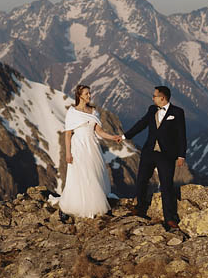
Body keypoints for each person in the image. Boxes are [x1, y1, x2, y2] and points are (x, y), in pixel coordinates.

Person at [122, 85, 187, 231]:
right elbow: (141, 124)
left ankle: (169, 218)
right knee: (142, 180)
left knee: (166, 185)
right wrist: (125, 136)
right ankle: (140, 208)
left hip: (166, 155)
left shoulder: (177, 112)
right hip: (149, 152)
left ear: (162, 98)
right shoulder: (152, 110)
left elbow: (181, 135)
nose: (152, 98)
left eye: (155, 96)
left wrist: (181, 155)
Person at [58, 84, 122, 218]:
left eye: (89, 93)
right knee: (80, 175)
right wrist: (68, 153)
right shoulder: (73, 112)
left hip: (92, 145)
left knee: (93, 173)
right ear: (79, 95)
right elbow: (68, 134)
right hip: (78, 146)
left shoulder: (94, 111)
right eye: (86, 93)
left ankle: (96, 205)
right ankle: (70, 207)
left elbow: (99, 131)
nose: (89, 96)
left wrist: (113, 137)